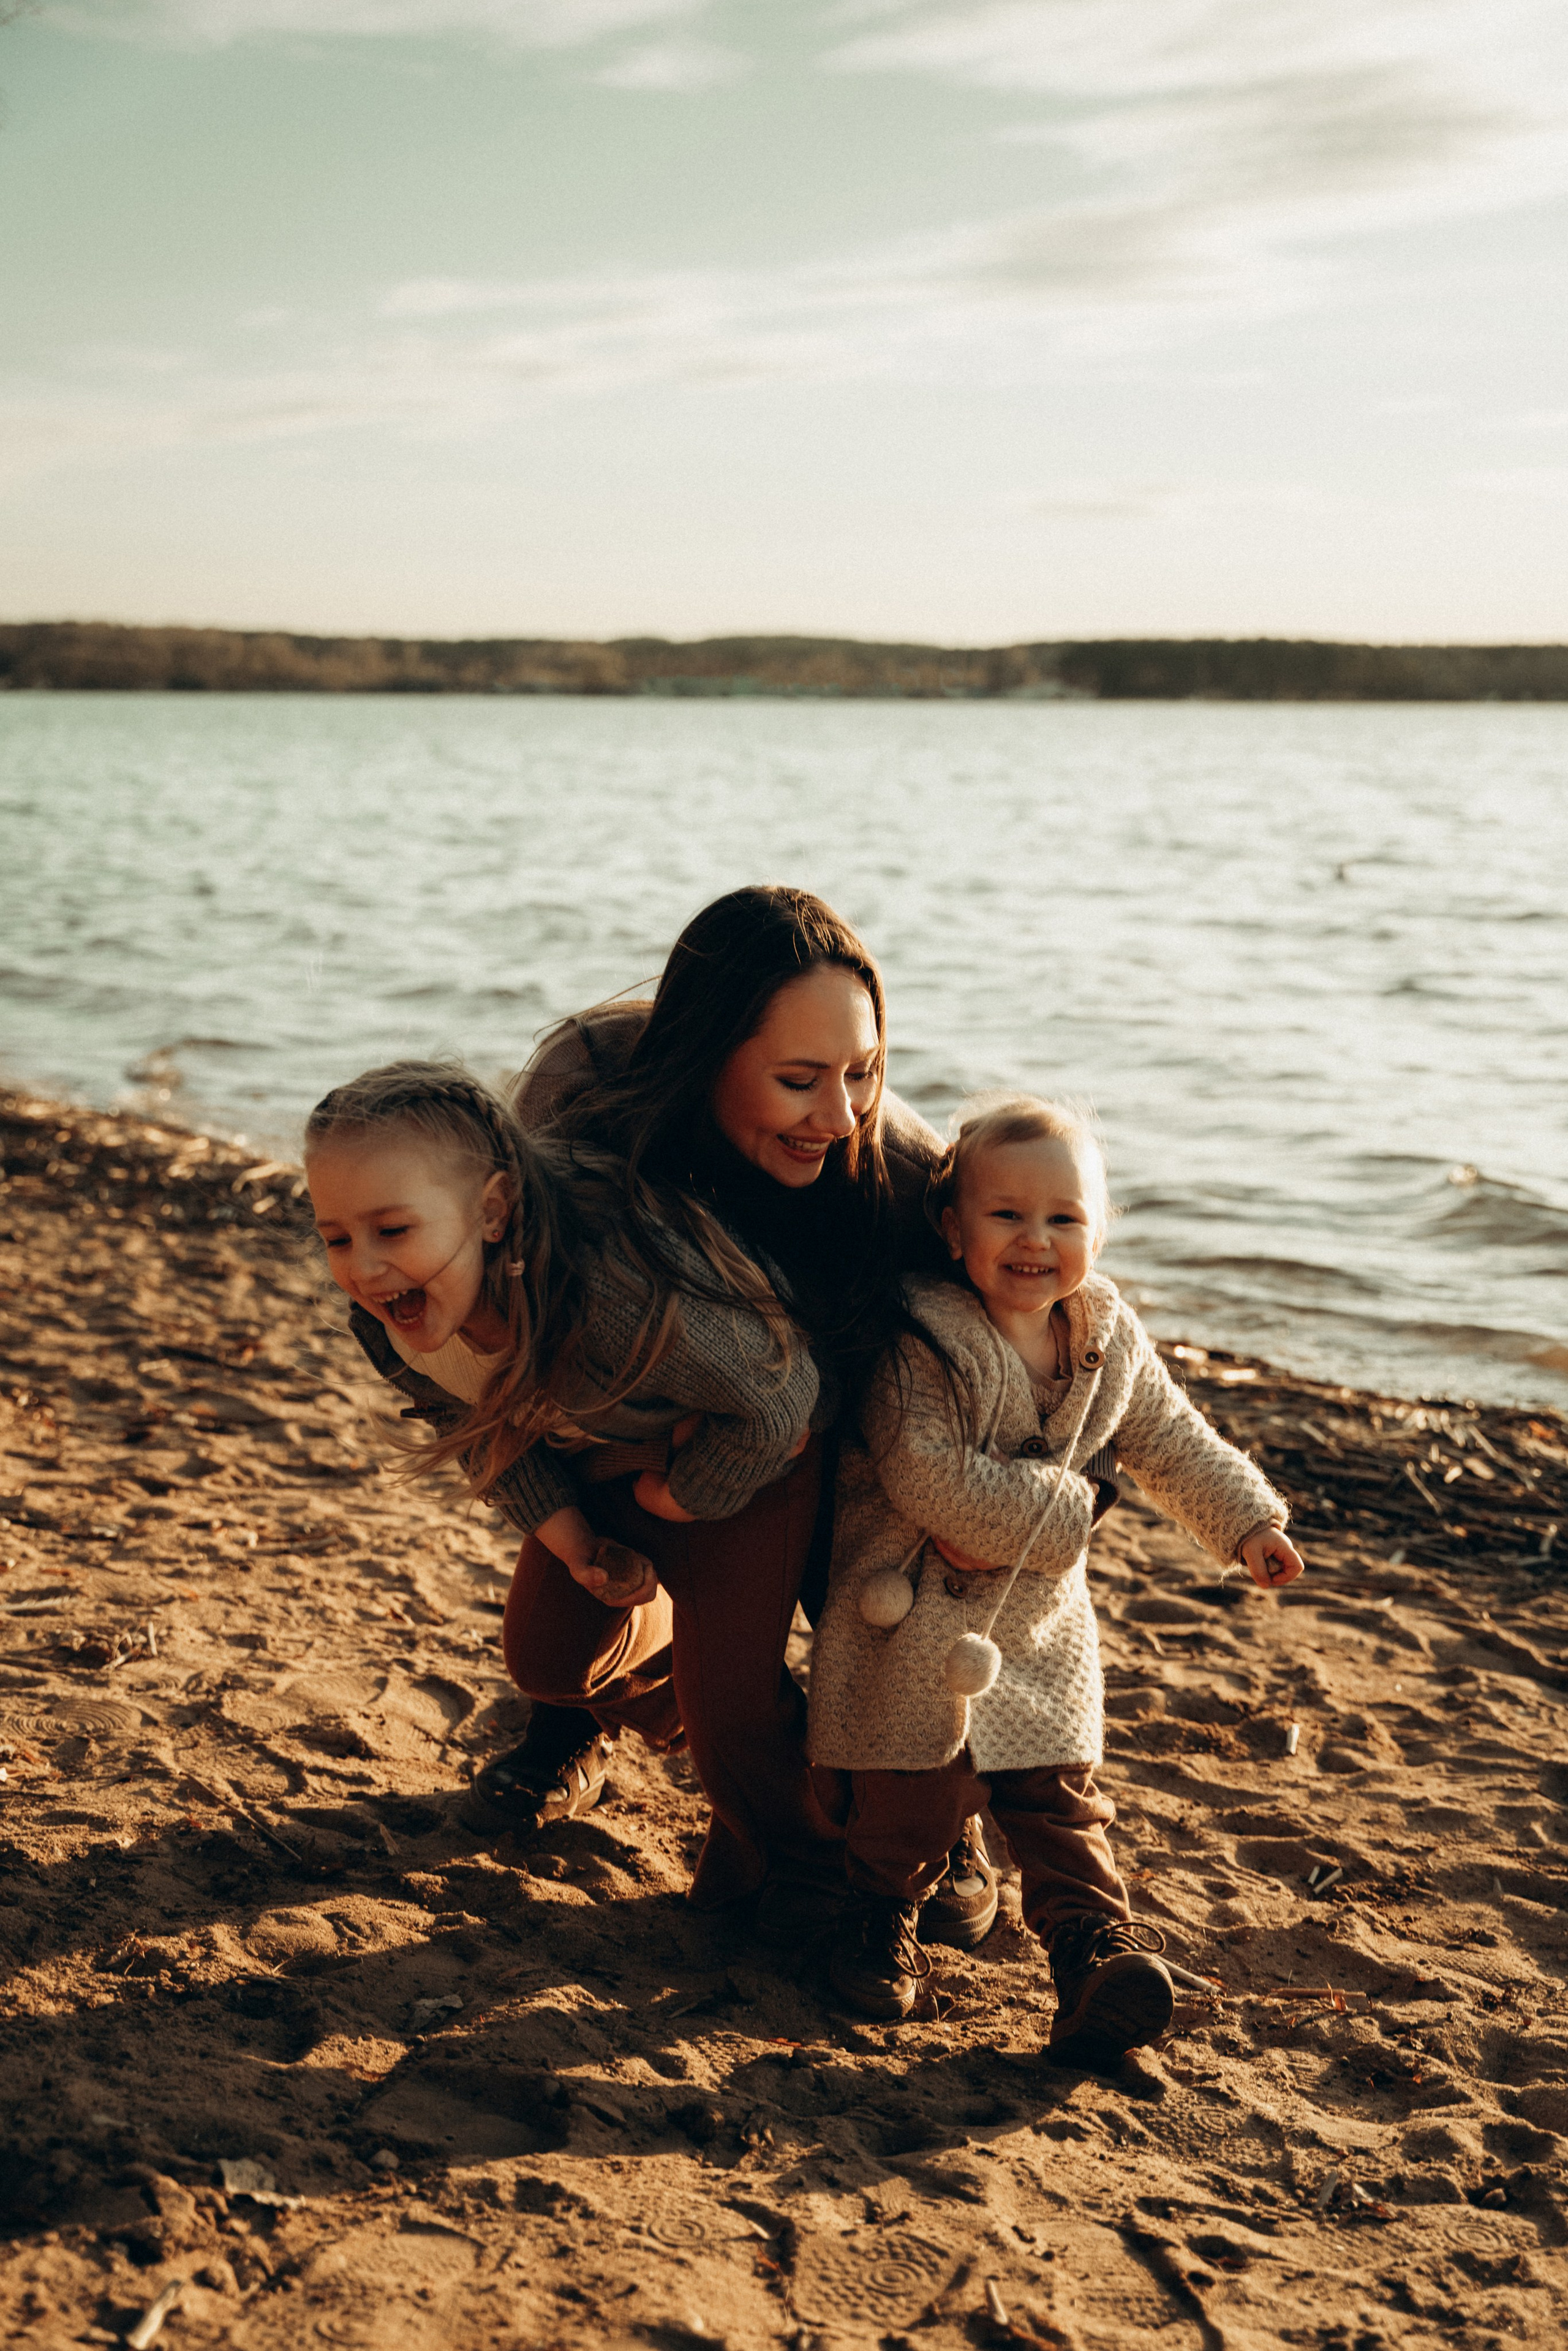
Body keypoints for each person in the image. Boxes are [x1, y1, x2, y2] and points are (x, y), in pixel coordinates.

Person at [492, 885, 995, 1942]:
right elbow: (513, 1324)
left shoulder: (897, 1174)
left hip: (834, 1445)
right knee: (550, 1657)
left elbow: (1035, 1336)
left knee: (869, 1626)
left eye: (862, 1073)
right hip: (628, 1440)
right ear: (703, 1052)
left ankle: (930, 1817)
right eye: (800, 1079)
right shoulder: (583, 1097)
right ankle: (585, 1720)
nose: (841, 1112)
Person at [807, 1093, 1305, 2062]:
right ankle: (876, 1916)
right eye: (1007, 1215)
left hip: (1034, 1631)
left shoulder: (1106, 1336)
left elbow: (1167, 1437)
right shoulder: (922, 1341)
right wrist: (1076, 1508)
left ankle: (1091, 1955)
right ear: (954, 1230)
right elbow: (925, 1473)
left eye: (1065, 1218)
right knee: (907, 1797)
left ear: (1100, 1228)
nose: (1037, 1240)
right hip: (906, 1621)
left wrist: (1248, 1521)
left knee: (1060, 1801)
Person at [303, 1057, 821, 1868]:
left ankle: (873, 1824)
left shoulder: (612, 1292)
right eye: (337, 1236)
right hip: (610, 1455)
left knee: (735, 1713)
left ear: (493, 1210)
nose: (363, 1267)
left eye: (394, 1230)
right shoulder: (387, 1324)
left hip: (754, 1453)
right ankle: (673, 1702)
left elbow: (782, 1397)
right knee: (547, 1661)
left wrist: (683, 1496)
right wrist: (577, 1543)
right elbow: (484, 1435)